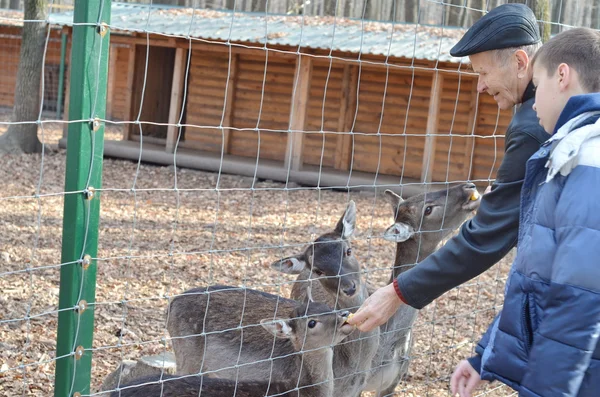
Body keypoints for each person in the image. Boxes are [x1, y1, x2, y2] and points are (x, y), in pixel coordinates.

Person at [347, 4, 549, 331]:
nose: (480, 86)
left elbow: (489, 234)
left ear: (520, 62)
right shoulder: (567, 98)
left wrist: (398, 291)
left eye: (483, 73)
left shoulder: (532, 124)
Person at [450, 27, 600, 397]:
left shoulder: (588, 160)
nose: (532, 103)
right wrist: (485, 355)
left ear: (562, 76)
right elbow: (539, 282)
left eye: (539, 83)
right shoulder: (568, 153)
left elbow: (577, 301)